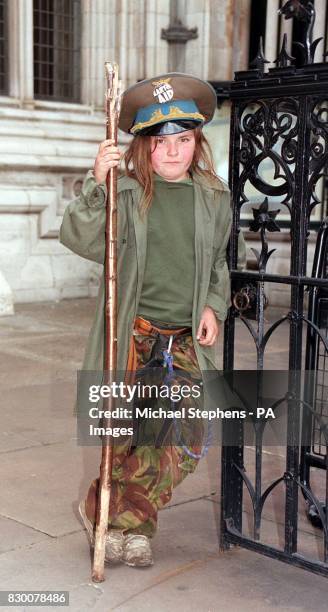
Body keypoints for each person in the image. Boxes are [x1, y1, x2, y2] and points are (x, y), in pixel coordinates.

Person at [59, 72, 244, 568]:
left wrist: (213, 304)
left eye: (183, 140)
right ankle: (132, 529)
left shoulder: (214, 197)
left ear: (197, 141)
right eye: (160, 142)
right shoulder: (125, 190)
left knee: (182, 438)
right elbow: (79, 237)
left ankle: (109, 510)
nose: (172, 152)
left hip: (182, 339)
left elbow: (222, 262)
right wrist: (98, 186)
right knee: (123, 439)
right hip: (130, 336)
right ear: (142, 145)